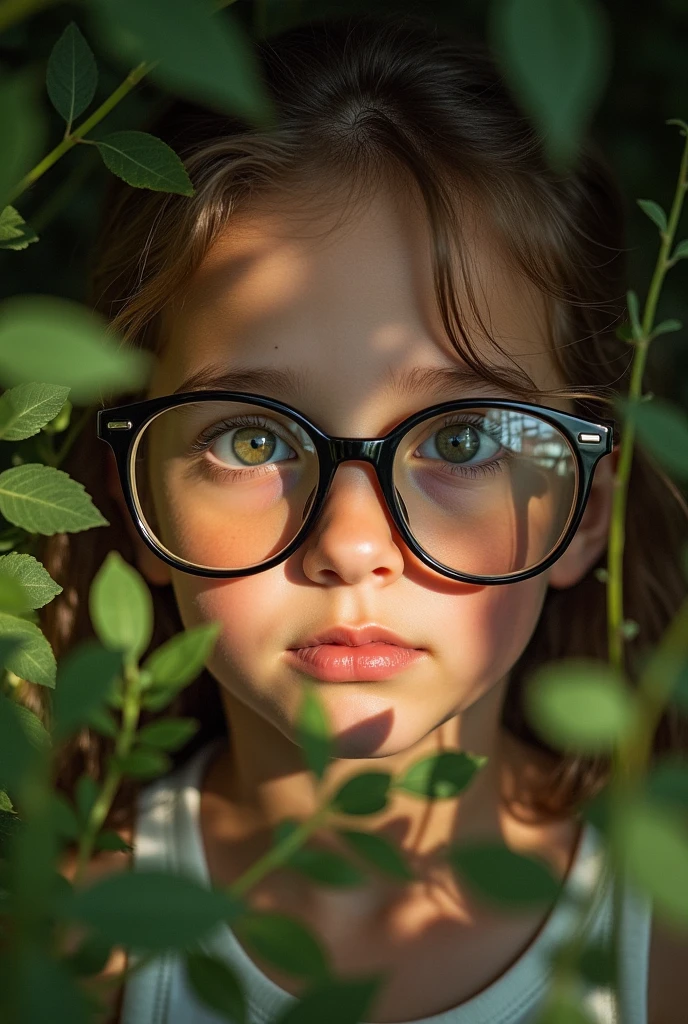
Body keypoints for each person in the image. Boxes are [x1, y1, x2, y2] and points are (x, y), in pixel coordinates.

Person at [30, 10, 688, 1024]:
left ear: (585, 503)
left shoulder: (665, 937)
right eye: (252, 440)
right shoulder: (64, 930)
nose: (350, 544)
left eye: (461, 439)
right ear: (134, 497)